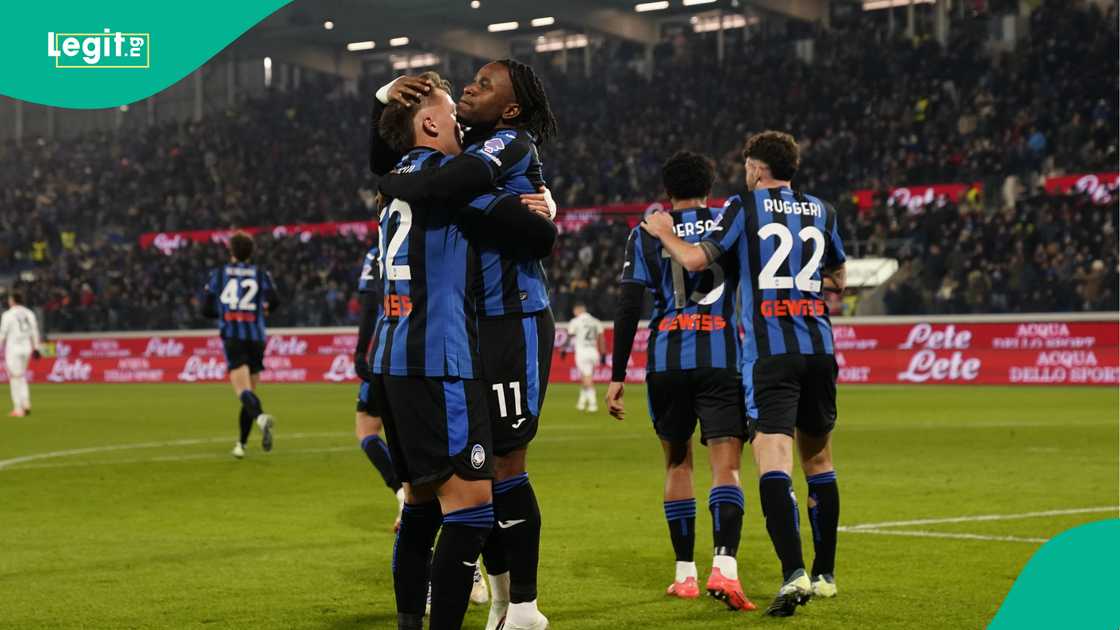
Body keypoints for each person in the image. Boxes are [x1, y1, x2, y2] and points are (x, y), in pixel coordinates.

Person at [371, 60, 559, 630]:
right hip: (447, 348)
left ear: (510, 107)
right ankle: (508, 604)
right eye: (456, 101)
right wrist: (540, 214)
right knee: (468, 500)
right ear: (431, 125)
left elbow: (405, 165)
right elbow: (536, 231)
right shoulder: (452, 173)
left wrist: (389, 174)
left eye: (482, 85)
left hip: (482, 328)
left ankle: (518, 605)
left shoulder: (501, 146)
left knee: (455, 486)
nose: (469, 93)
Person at [641, 131, 846, 617]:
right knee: (819, 459)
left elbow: (695, 259)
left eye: (748, 165)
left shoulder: (743, 207)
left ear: (756, 168)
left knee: (773, 459)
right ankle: (826, 575)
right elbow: (839, 279)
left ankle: (794, 572)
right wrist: (800, 280)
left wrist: (663, 230)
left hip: (770, 352)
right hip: (819, 346)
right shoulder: (823, 210)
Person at [607, 151, 755, 611]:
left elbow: (628, 306)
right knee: (726, 467)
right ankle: (724, 567)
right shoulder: (730, 223)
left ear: (667, 191)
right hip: (720, 355)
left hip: (666, 359)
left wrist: (616, 375)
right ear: (709, 188)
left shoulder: (646, 231)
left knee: (677, 464)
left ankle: (684, 575)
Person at [201, 232, 281, 459]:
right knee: (250, 392)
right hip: (256, 338)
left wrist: (226, 311)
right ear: (251, 252)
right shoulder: (261, 273)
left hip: (233, 337)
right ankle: (241, 444)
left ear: (231, 251)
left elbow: (206, 309)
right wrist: (262, 310)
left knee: (243, 392)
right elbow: (275, 301)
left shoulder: (219, 274)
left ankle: (261, 418)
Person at [352, 242, 406, 531]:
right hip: (430, 348)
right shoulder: (432, 239)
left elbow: (370, 301)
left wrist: (361, 351)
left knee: (367, 429)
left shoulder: (380, 251)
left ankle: (403, 495)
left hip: (387, 351)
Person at [1, 291, 42, 418]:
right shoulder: (29, 313)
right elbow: (35, 331)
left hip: (14, 348)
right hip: (27, 348)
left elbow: (2, 333)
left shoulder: (8, 314)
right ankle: (26, 403)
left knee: (14, 378)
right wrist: (36, 347)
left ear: (13, 300)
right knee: (21, 376)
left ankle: (18, 409)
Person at [567, 303, 605, 413]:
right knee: (586, 377)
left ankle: (593, 404)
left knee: (587, 378)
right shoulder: (596, 321)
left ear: (577, 310)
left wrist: (564, 349)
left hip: (582, 353)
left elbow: (570, 335)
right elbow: (601, 338)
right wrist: (603, 354)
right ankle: (581, 402)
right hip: (593, 352)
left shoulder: (575, 321)